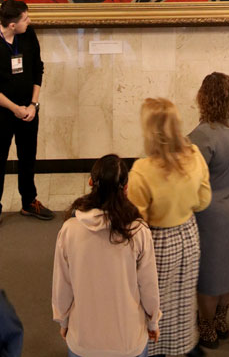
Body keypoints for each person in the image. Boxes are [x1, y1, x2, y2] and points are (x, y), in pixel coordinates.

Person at [52, 153, 161, 357]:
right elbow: (149, 286)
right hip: (129, 341)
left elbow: (62, 286)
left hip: (83, 340)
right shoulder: (138, 231)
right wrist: (153, 322)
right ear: (126, 188)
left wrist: (64, 322)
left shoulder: (69, 230)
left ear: (91, 182)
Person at [127, 98, 212, 357]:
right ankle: (184, 345)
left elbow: (136, 221)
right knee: (183, 299)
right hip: (188, 236)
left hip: (156, 242)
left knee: (152, 300)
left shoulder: (141, 171)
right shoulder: (195, 155)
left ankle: (154, 349)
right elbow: (204, 201)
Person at [0, 0, 54, 238]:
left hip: (29, 111)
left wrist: (33, 105)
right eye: (25, 19)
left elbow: (38, 69)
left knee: (28, 157)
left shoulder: (28, 35)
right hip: (2, 114)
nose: (29, 21)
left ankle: (29, 201)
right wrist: (14, 109)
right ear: (12, 24)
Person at [189, 72, 229, 349]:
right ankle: (221, 320)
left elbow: (190, 180)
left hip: (211, 213)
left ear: (204, 99)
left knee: (209, 273)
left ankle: (206, 326)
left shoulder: (202, 136)